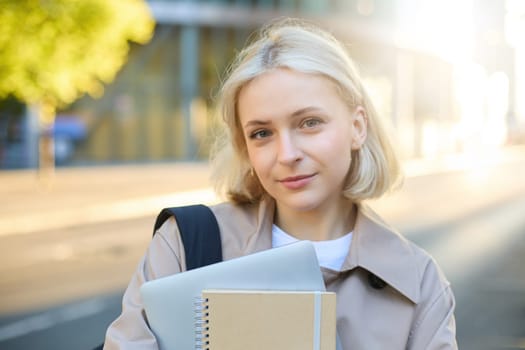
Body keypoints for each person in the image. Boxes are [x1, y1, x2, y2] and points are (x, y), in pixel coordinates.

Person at [103, 18, 457, 349]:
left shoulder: (420, 282)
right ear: (245, 147)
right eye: (262, 133)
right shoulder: (184, 243)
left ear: (357, 126)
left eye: (309, 123)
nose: (286, 154)